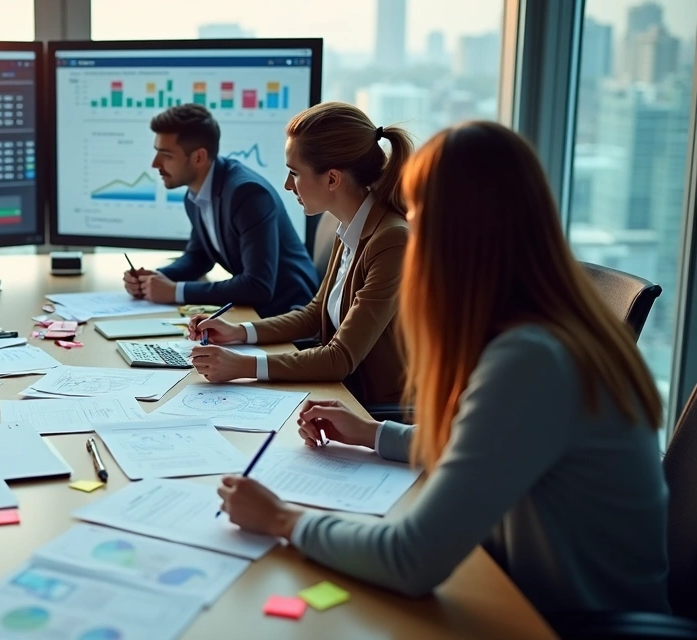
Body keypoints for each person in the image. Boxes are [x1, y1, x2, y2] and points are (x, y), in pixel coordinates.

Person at [216, 121, 669, 615]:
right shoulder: (545, 328)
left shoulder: (533, 358)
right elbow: (481, 448)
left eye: (421, 215)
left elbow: (410, 559)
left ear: (457, 232)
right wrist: (372, 434)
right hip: (523, 592)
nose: (412, 231)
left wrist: (282, 519)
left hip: (559, 624)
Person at [187, 102, 412, 405]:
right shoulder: (348, 222)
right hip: (339, 393)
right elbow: (314, 314)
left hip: (371, 408)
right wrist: (237, 332)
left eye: (294, 173)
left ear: (333, 179)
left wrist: (241, 366)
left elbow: (340, 358)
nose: (287, 184)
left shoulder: (392, 240)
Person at [122, 104, 318, 318]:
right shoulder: (196, 193)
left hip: (289, 313)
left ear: (198, 157)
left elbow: (258, 286)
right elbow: (199, 257)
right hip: (252, 312)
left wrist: (176, 291)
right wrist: (153, 279)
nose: (155, 163)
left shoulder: (248, 194)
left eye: (166, 155)